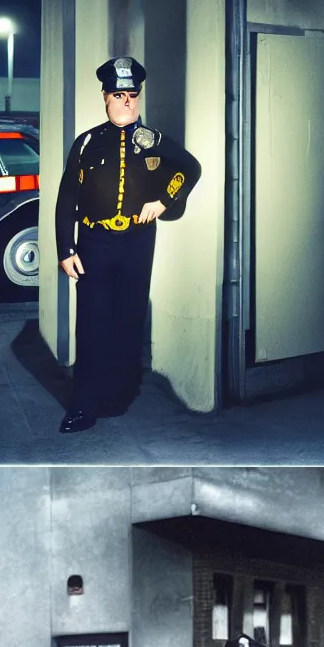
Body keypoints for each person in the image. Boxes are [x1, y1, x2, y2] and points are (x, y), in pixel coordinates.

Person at [55, 57, 202, 433]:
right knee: (90, 324)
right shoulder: (87, 142)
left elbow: (191, 167)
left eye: (132, 95)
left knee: (127, 320)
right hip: (94, 242)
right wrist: (65, 248)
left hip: (137, 243)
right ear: (105, 96)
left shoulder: (151, 140)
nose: (126, 103)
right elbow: (66, 197)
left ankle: (118, 395)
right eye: (118, 95)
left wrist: (164, 201)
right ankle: (84, 405)